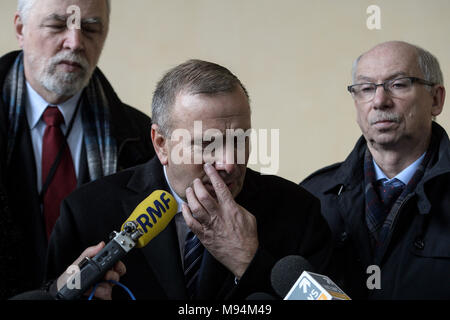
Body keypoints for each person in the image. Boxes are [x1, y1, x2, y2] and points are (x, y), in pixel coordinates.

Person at [46, 59, 332, 300]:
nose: (228, 163)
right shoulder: (87, 211)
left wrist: (248, 260)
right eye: (207, 145)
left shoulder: (298, 211)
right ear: (160, 144)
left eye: (240, 140)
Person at [0, 0, 155, 298]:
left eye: (91, 28)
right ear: (20, 29)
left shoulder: (142, 138)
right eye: (58, 25)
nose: (75, 42)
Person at [301, 41, 450, 299]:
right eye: (366, 88)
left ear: (436, 100)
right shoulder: (313, 197)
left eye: (399, 84)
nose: (380, 101)